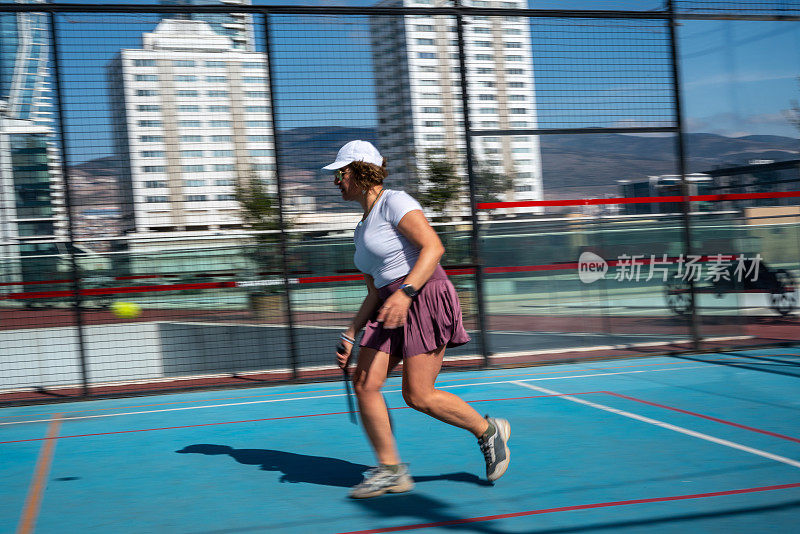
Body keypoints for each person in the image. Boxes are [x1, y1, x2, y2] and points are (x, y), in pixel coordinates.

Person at [323, 140, 511, 499]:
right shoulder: (361, 230)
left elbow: (433, 247)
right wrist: (350, 334)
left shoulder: (395, 202)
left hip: (423, 295)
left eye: (341, 172)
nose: (336, 181)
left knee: (418, 395)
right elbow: (375, 291)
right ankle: (391, 470)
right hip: (390, 303)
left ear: (360, 171)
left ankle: (489, 432)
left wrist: (406, 293)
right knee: (365, 384)